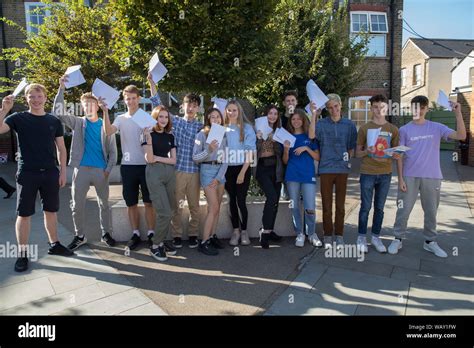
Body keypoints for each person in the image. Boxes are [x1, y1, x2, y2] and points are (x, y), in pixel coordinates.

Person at [0, 84, 73, 273]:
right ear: (26, 99)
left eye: (39, 96)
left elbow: (61, 148)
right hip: (27, 173)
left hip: (50, 172)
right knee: (24, 214)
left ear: (45, 98)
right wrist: (4, 110)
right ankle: (22, 254)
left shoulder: (53, 121)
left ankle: (54, 244)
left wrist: (63, 171)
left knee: (51, 211)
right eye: (32, 96)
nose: (36, 99)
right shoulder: (18, 118)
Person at [388, 95, 466, 258]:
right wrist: (400, 178)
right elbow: (400, 156)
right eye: (416, 107)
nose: (419, 110)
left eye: (422, 107)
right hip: (409, 176)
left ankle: (430, 241)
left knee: (431, 211)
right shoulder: (404, 130)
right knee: (403, 209)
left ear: (426, 109)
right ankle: (397, 238)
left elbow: (461, 136)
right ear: (411, 108)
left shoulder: (436, 127)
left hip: (432, 176)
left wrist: (458, 114)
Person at [54, 75, 117, 250]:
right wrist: (61, 88)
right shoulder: (78, 123)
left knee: (104, 204)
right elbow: (58, 112)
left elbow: (113, 151)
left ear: (97, 105)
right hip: (80, 169)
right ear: (82, 107)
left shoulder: (106, 125)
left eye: (92, 103)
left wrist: (108, 169)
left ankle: (106, 233)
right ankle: (79, 235)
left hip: (100, 171)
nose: (89, 106)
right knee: (76, 205)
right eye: (85, 104)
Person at [148, 75, 204, 249]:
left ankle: (194, 234)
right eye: (189, 104)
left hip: (194, 171)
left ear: (198, 109)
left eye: (195, 105)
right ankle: (177, 235)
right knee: (177, 206)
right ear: (183, 106)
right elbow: (157, 104)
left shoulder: (201, 127)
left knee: (195, 206)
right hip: (177, 171)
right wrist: (152, 83)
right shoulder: (175, 122)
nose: (191, 108)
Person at [103, 85, 156, 251]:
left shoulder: (146, 117)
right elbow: (108, 131)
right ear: (124, 100)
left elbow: (158, 109)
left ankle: (151, 233)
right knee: (131, 203)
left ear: (139, 99)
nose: (131, 101)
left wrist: (153, 85)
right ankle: (135, 234)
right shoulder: (120, 118)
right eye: (128, 99)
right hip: (128, 167)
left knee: (149, 202)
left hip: (147, 165)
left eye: (134, 98)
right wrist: (104, 111)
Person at [309, 94, 357, 249]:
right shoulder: (321, 124)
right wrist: (314, 114)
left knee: (341, 205)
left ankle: (340, 235)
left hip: (342, 169)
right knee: (326, 204)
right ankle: (328, 235)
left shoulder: (349, 125)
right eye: (329, 107)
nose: (333, 110)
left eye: (335, 106)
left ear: (340, 105)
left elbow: (351, 147)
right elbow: (311, 135)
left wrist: (345, 158)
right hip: (326, 169)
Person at [355, 94, 400, 253]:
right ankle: (361, 237)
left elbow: (397, 153)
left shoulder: (393, 129)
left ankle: (375, 237)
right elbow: (357, 153)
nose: (379, 110)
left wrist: (396, 155)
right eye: (375, 107)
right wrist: (366, 150)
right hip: (367, 172)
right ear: (371, 108)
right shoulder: (365, 128)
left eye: (382, 107)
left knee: (379, 208)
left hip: (385, 173)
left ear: (386, 108)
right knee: (365, 207)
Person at [283, 109, 322, 248]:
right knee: (294, 206)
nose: (296, 121)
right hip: (292, 175)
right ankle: (300, 233)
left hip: (308, 175)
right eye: (293, 119)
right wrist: (286, 150)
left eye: (299, 119)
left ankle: (311, 233)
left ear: (303, 120)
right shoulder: (287, 137)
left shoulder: (310, 136)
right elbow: (285, 161)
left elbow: (317, 157)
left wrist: (306, 148)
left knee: (310, 206)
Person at [143, 105, 178, 262]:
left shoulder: (170, 136)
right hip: (154, 173)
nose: (163, 120)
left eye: (166, 117)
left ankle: (163, 241)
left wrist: (159, 158)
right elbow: (149, 159)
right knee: (164, 212)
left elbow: (173, 160)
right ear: (155, 118)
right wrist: (149, 142)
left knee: (171, 209)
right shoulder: (147, 134)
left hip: (170, 174)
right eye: (160, 117)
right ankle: (155, 245)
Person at [192, 108, 228, 255]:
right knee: (213, 208)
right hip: (207, 171)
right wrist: (209, 149)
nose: (216, 119)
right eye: (212, 117)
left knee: (217, 208)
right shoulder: (201, 134)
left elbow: (225, 159)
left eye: (218, 117)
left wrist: (218, 177)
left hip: (220, 172)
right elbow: (195, 158)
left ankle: (212, 236)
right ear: (208, 119)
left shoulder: (224, 135)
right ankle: (204, 242)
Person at [223, 100, 256, 246]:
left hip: (243, 167)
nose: (231, 113)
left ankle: (244, 231)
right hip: (227, 169)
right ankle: (235, 231)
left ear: (239, 111)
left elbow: (250, 152)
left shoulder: (247, 128)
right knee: (231, 200)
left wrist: (242, 172)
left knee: (241, 201)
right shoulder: (222, 128)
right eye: (229, 110)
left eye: (234, 110)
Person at [255, 105, 284, 249]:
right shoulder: (257, 128)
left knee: (276, 200)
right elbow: (254, 150)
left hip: (276, 168)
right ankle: (264, 232)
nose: (272, 116)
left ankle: (270, 229)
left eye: (275, 114)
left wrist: (276, 141)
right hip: (262, 167)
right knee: (271, 196)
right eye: (270, 113)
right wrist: (259, 138)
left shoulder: (279, 131)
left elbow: (281, 152)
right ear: (265, 115)